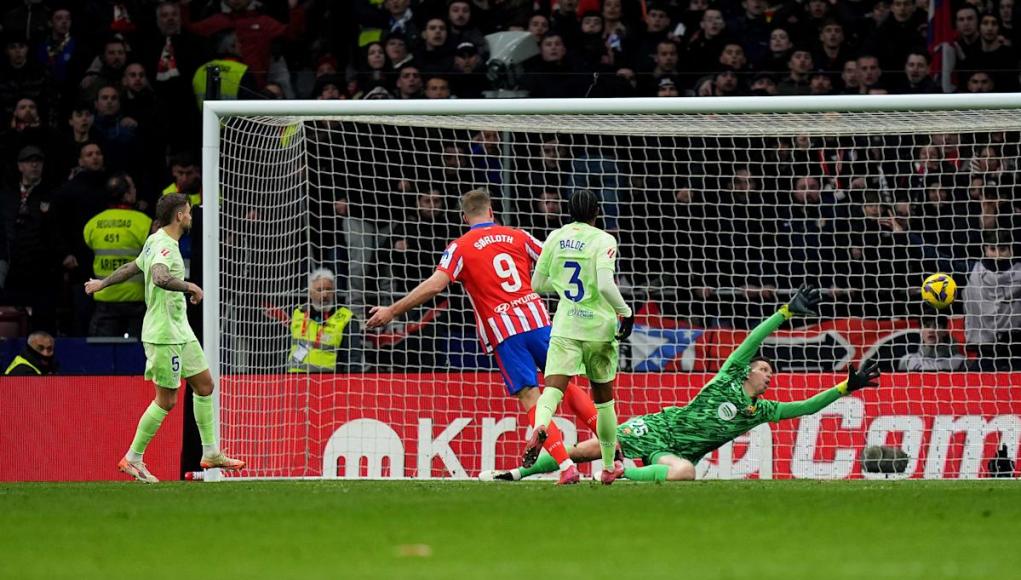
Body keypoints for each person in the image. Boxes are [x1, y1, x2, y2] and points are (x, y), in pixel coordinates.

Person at [489, 286, 886, 482]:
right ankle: (517, 474)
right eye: (765, 369)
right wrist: (784, 313)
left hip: (674, 451)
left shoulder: (759, 411)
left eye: (770, 373)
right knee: (583, 449)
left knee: (685, 474)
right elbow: (751, 342)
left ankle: (620, 473)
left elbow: (803, 408)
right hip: (659, 427)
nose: (768, 374)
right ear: (749, 371)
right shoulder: (729, 375)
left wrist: (844, 388)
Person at [366, 189, 601, 485]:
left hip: (504, 331)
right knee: (564, 385)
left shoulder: (460, 247)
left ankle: (567, 467)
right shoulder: (518, 235)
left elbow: (436, 285)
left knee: (531, 398)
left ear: (465, 217)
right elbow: (559, 265)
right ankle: (611, 447)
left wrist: (392, 310)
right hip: (539, 320)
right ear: (492, 212)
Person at [84, 193, 244, 483]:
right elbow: (158, 277)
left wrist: (102, 283)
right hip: (163, 334)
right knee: (167, 400)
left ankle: (210, 452)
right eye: (189, 213)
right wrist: (190, 286)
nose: (191, 217)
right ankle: (133, 457)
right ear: (180, 215)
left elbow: (131, 267)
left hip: (180, 330)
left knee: (205, 385)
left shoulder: (154, 239)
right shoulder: (166, 247)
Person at [521, 189, 635, 485]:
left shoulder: (555, 237)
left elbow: (537, 283)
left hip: (566, 326)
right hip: (598, 329)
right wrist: (626, 311)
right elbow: (606, 285)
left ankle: (542, 426)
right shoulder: (603, 239)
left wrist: (563, 289)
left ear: (568, 211)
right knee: (604, 402)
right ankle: (610, 466)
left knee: (553, 389)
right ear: (597, 212)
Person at [83, 173, 151, 337]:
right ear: (127, 194)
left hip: (105, 300)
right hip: (136, 302)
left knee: (102, 354)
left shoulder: (92, 224)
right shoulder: (143, 222)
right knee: (138, 355)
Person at [264, 268, 355, 373]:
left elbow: (353, 359)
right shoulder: (298, 313)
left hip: (329, 383)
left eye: (329, 289)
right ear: (310, 293)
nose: (325, 295)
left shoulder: (346, 317)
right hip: (295, 381)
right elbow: (285, 349)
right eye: (319, 290)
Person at [898, 316, 966, 371]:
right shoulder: (907, 360)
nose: (931, 330)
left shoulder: (960, 361)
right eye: (927, 326)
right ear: (920, 331)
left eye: (936, 326)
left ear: (944, 332)